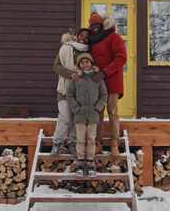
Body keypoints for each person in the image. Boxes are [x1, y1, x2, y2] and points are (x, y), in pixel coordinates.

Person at [87, 12, 127, 157]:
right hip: (97, 82)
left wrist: (105, 72)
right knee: (98, 112)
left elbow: (121, 58)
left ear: (102, 25)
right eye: (92, 26)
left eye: (97, 25)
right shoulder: (92, 41)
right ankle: (97, 143)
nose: (94, 28)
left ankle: (114, 144)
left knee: (112, 111)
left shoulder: (114, 37)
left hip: (112, 80)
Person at [50, 29, 91, 155]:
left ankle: (72, 143)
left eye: (86, 37)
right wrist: (70, 74)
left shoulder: (88, 51)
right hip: (64, 89)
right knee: (65, 117)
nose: (83, 39)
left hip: (80, 91)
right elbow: (56, 66)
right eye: (82, 36)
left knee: (76, 119)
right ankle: (57, 143)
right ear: (77, 36)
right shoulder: (66, 48)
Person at [67, 53, 108, 176]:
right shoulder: (76, 79)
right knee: (80, 139)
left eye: (87, 62)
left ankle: (90, 162)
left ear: (91, 63)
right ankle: (80, 162)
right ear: (79, 65)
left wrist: (98, 108)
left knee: (91, 139)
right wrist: (76, 108)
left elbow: (104, 95)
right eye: (82, 62)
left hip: (93, 114)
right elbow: (70, 95)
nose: (85, 64)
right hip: (79, 114)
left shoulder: (97, 78)